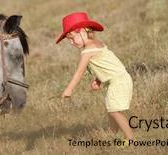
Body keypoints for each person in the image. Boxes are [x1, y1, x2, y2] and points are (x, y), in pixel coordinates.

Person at [56, 12, 134, 140]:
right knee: (111, 110)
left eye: (72, 38)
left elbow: (79, 72)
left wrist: (69, 89)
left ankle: (130, 139)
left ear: (81, 31)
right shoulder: (97, 44)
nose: (71, 42)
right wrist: (98, 80)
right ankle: (112, 133)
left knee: (114, 111)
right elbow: (106, 64)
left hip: (118, 82)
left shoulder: (88, 51)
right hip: (119, 79)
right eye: (68, 40)